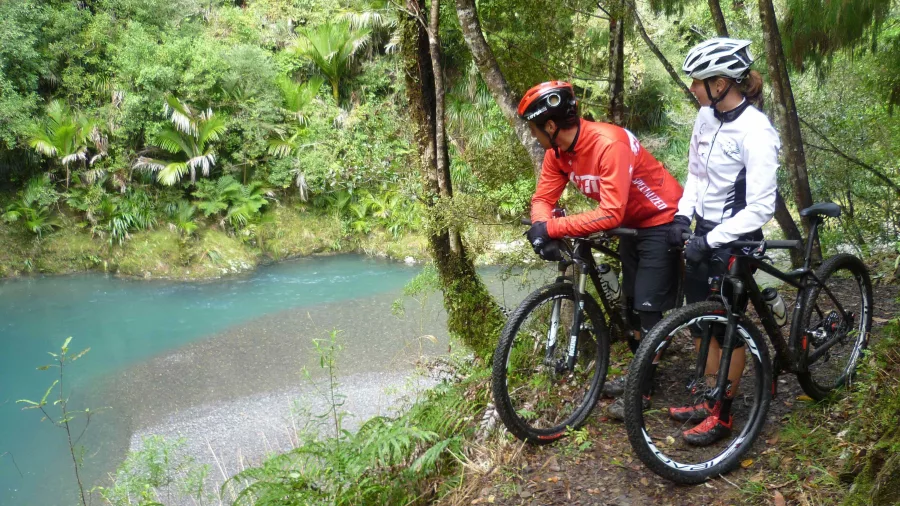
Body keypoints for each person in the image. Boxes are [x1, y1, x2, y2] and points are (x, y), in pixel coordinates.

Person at [517, 81, 683, 420]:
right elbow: (543, 200)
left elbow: (610, 213)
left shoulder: (609, 144)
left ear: (550, 126)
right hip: (630, 227)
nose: (534, 136)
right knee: (631, 308)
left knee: (648, 309)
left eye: (535, 129)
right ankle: (641, 371)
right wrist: (540, 226)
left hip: (662, 219)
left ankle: (644, 388)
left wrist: (552, 227)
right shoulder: (558, 153)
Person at [666, 38, 781, 445]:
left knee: (728, 327)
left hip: (737, 239)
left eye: (698, 81)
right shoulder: (705, 117)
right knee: (700, 321)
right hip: (703, 232)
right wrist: (683, 215)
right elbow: (696, 173)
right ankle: (707, 396)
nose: (692, 88)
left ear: (720, 84)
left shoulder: (756, 131)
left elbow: (762, 207)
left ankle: (724, 414)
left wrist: (712, 238)